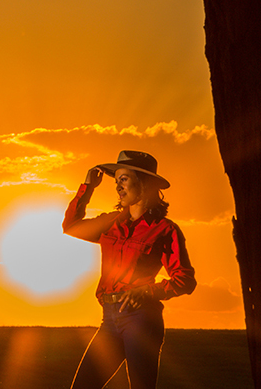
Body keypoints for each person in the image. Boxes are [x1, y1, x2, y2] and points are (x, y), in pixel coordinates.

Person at [63, 150, 196, 389]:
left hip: (141, 319)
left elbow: (185, 279)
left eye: (123, 179)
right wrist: (87, 188)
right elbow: (71, 226)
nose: (118, 187)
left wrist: (146, 291)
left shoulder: (165, 230)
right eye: (116, 181)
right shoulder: (111, 223)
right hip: (109, 319)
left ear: (144, 183)